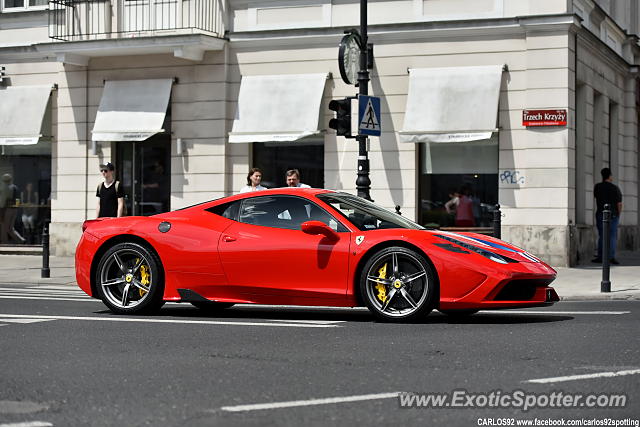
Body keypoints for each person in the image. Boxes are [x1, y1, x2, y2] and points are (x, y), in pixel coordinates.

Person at [592, 167, 623, 264]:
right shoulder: (615, 188)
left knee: (602, 236)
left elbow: (596, 198)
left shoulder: (597, 187)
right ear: (609, 176)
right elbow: (619, 204)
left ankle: (601, 256)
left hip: (601, 214)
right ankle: (611, 257)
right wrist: (618, 214)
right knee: (612, 236)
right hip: (613, 215)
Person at [1, 174, 26, 243]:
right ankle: (21, 240)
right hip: (14, 209)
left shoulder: (6, 188)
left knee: (4, 228)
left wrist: (1, 210)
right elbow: (18, 200)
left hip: (7, 210)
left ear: (4, 181)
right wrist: (16, 207)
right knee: (10, 228)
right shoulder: (16, 187)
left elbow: (3, 201)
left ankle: (5, 244)